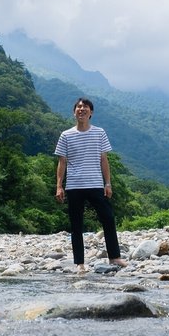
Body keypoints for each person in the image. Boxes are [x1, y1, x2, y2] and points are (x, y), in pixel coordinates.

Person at [54, 97, 128, 273]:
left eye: (85, 107)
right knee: (76, 224)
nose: (82, 109)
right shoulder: (66, 135)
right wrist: (59, 186)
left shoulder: (99, 133)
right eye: (79, 107)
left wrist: (108, 183)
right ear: (74, 112)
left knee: (108, 219)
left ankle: (115, 257)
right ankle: (79, 262)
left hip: (95, 183)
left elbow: (104, 159)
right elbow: (62, 162)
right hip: (74, 185)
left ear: (91, 112)